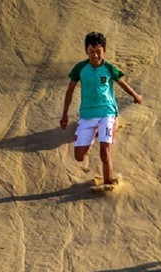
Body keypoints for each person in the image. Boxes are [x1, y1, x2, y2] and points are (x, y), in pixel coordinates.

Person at [60, 32, 143, 185]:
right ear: (86, 51)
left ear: (104, 50)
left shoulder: (109, 68)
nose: (95, 55)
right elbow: (70, 90)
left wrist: (135, 95)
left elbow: (122, 83)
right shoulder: (80, 68)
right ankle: (95, 132)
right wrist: (64, 114)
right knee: (79, 157)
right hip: (87, 115)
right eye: (91, 51)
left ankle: (108, 185)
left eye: (98, 51)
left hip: (107, 112)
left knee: (105, 152)